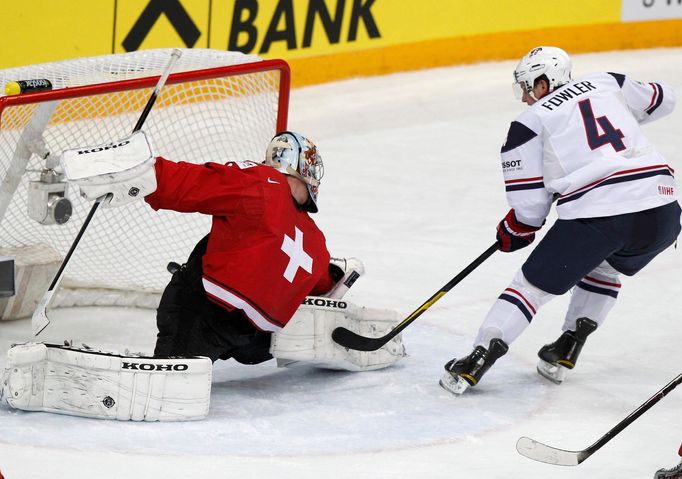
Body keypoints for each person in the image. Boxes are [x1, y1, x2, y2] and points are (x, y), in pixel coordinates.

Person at [1, 130, 404, 422]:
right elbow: (318, 288)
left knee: (170, 379)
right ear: (309, 176)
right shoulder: (315, 241)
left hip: (201, 313)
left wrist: (144, 176)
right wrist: (336, 277)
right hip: (257, 344)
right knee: (236, 249)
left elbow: (196, 183)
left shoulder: (260, 183)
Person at [440, 46, 681, 395]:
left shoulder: (528, 123)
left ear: (542, 82)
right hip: (663, 209)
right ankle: (569, 344)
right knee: (605, 269)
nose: (524, 97)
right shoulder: (607, 82)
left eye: (526, 87)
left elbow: (530, 209)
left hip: (601, 216)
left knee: (529, 288)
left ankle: (477, 359)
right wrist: (624, 113)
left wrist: (515, 229)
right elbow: (665, 99)